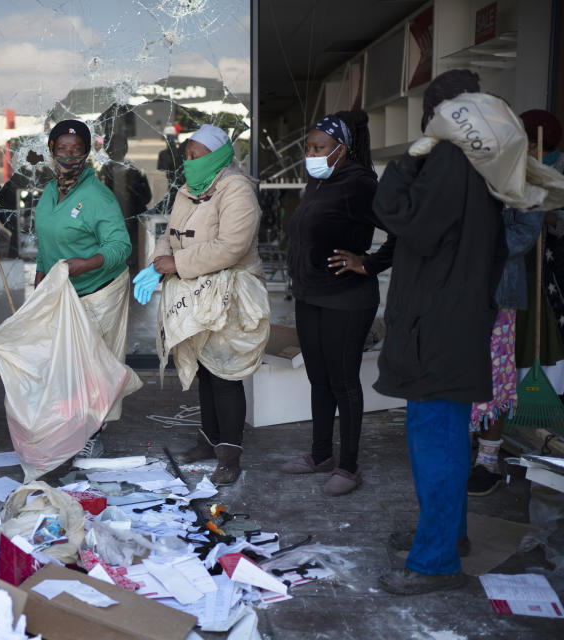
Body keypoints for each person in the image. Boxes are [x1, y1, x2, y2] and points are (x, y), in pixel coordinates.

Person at [371, 70, 507, 595]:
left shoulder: (450, 159)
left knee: (438, 443)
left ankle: (435, 563)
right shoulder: (482, 160)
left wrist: (408, 161)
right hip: (457, 315)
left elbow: (401, 217)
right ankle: (449, 536)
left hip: (440, 324)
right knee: (445, 437)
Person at [137, 124, 266, 486]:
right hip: (194, 292)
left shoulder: (237, 190)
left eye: (197, 156)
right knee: (206, 371)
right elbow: (170, 234)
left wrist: (178, 264)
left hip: (229, 293)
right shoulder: (187, 191)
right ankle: (208, 440)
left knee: (226, 373)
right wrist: (159, 262)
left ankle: (230, 454)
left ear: (219, 156)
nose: (190, 163)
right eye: (187, 156)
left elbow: (232, 247)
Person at [279, 110, 395, 496]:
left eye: (319, 147)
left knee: (344, 382)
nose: (310, 153)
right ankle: (320, 455)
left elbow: (402, 230)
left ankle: (348, 467)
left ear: (341, 150)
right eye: (309, 147)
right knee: (319, 379)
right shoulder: (319, 181)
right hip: (311, 295)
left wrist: (369, 262)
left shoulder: (361, 184)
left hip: (347, 298)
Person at [34, 119, 132, 458]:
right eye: (61, 149)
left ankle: (93, 433)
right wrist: (39, 286)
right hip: (60, 293)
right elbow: (45, 246)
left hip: (96, 292)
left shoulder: (98, 196)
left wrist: (85, 263)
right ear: (51, 151)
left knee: (92, 368)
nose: (68, 156)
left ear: (87, 154)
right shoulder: (48, 193)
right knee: (64, 365)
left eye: (76, 151)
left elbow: (121, 247)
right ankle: (70, 426)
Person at [466, 204, 542, 496]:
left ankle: (487, 463)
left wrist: (475, 242)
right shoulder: (465, 175)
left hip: (500, 297)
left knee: (495, 378)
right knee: (456, 374)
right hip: (457, 295)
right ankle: (461, 450)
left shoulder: (521, 185)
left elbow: (525, 233)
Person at [515, 110, 564, 401]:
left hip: (555, 271)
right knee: (526, 338)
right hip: (524, 269)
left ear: (535, 143)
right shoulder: (519, 170)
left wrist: (542, 214)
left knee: (553, 340)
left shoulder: (559, 170)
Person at [100, 132, 151, 269]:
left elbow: (146, 197)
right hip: (118, 223)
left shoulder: (130, 171)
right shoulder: (105, 171)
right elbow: (147, 196)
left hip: (130, 222)